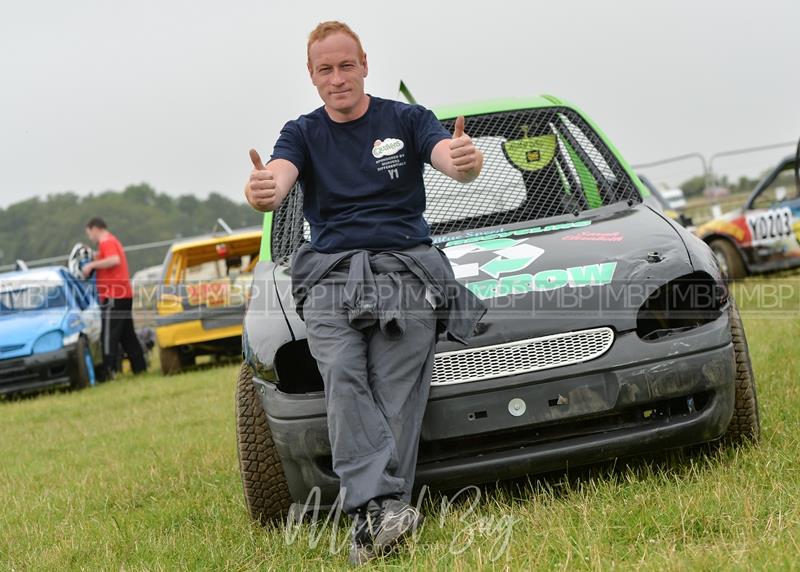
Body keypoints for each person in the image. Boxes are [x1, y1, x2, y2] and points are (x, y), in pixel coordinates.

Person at [245, 21, 485, 565]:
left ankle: (372, 517)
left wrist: (464, 161)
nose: (337, 79)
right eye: (325, 69)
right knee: (344, 375)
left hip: (406, 270)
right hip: (330, 276)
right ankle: (384, 510)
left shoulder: (406, 119)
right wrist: (263, 191)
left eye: (345, 66)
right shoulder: (302, 132)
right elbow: (276, 179)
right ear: (311, 76)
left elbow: (450, 158)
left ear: (364, 65)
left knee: (395, 386)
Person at [82, 217, 147, 379]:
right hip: (123, 294)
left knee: (108, 335)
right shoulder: (111, 241)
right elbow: (107, 258)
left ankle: (108, 372)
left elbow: (113, 260)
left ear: (95, 229)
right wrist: (94, 256)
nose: (90, 237)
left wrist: (91, 265)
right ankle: (140, 368)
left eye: (89, 233)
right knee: (127, 335)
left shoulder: (106, 241)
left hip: (113, 296)